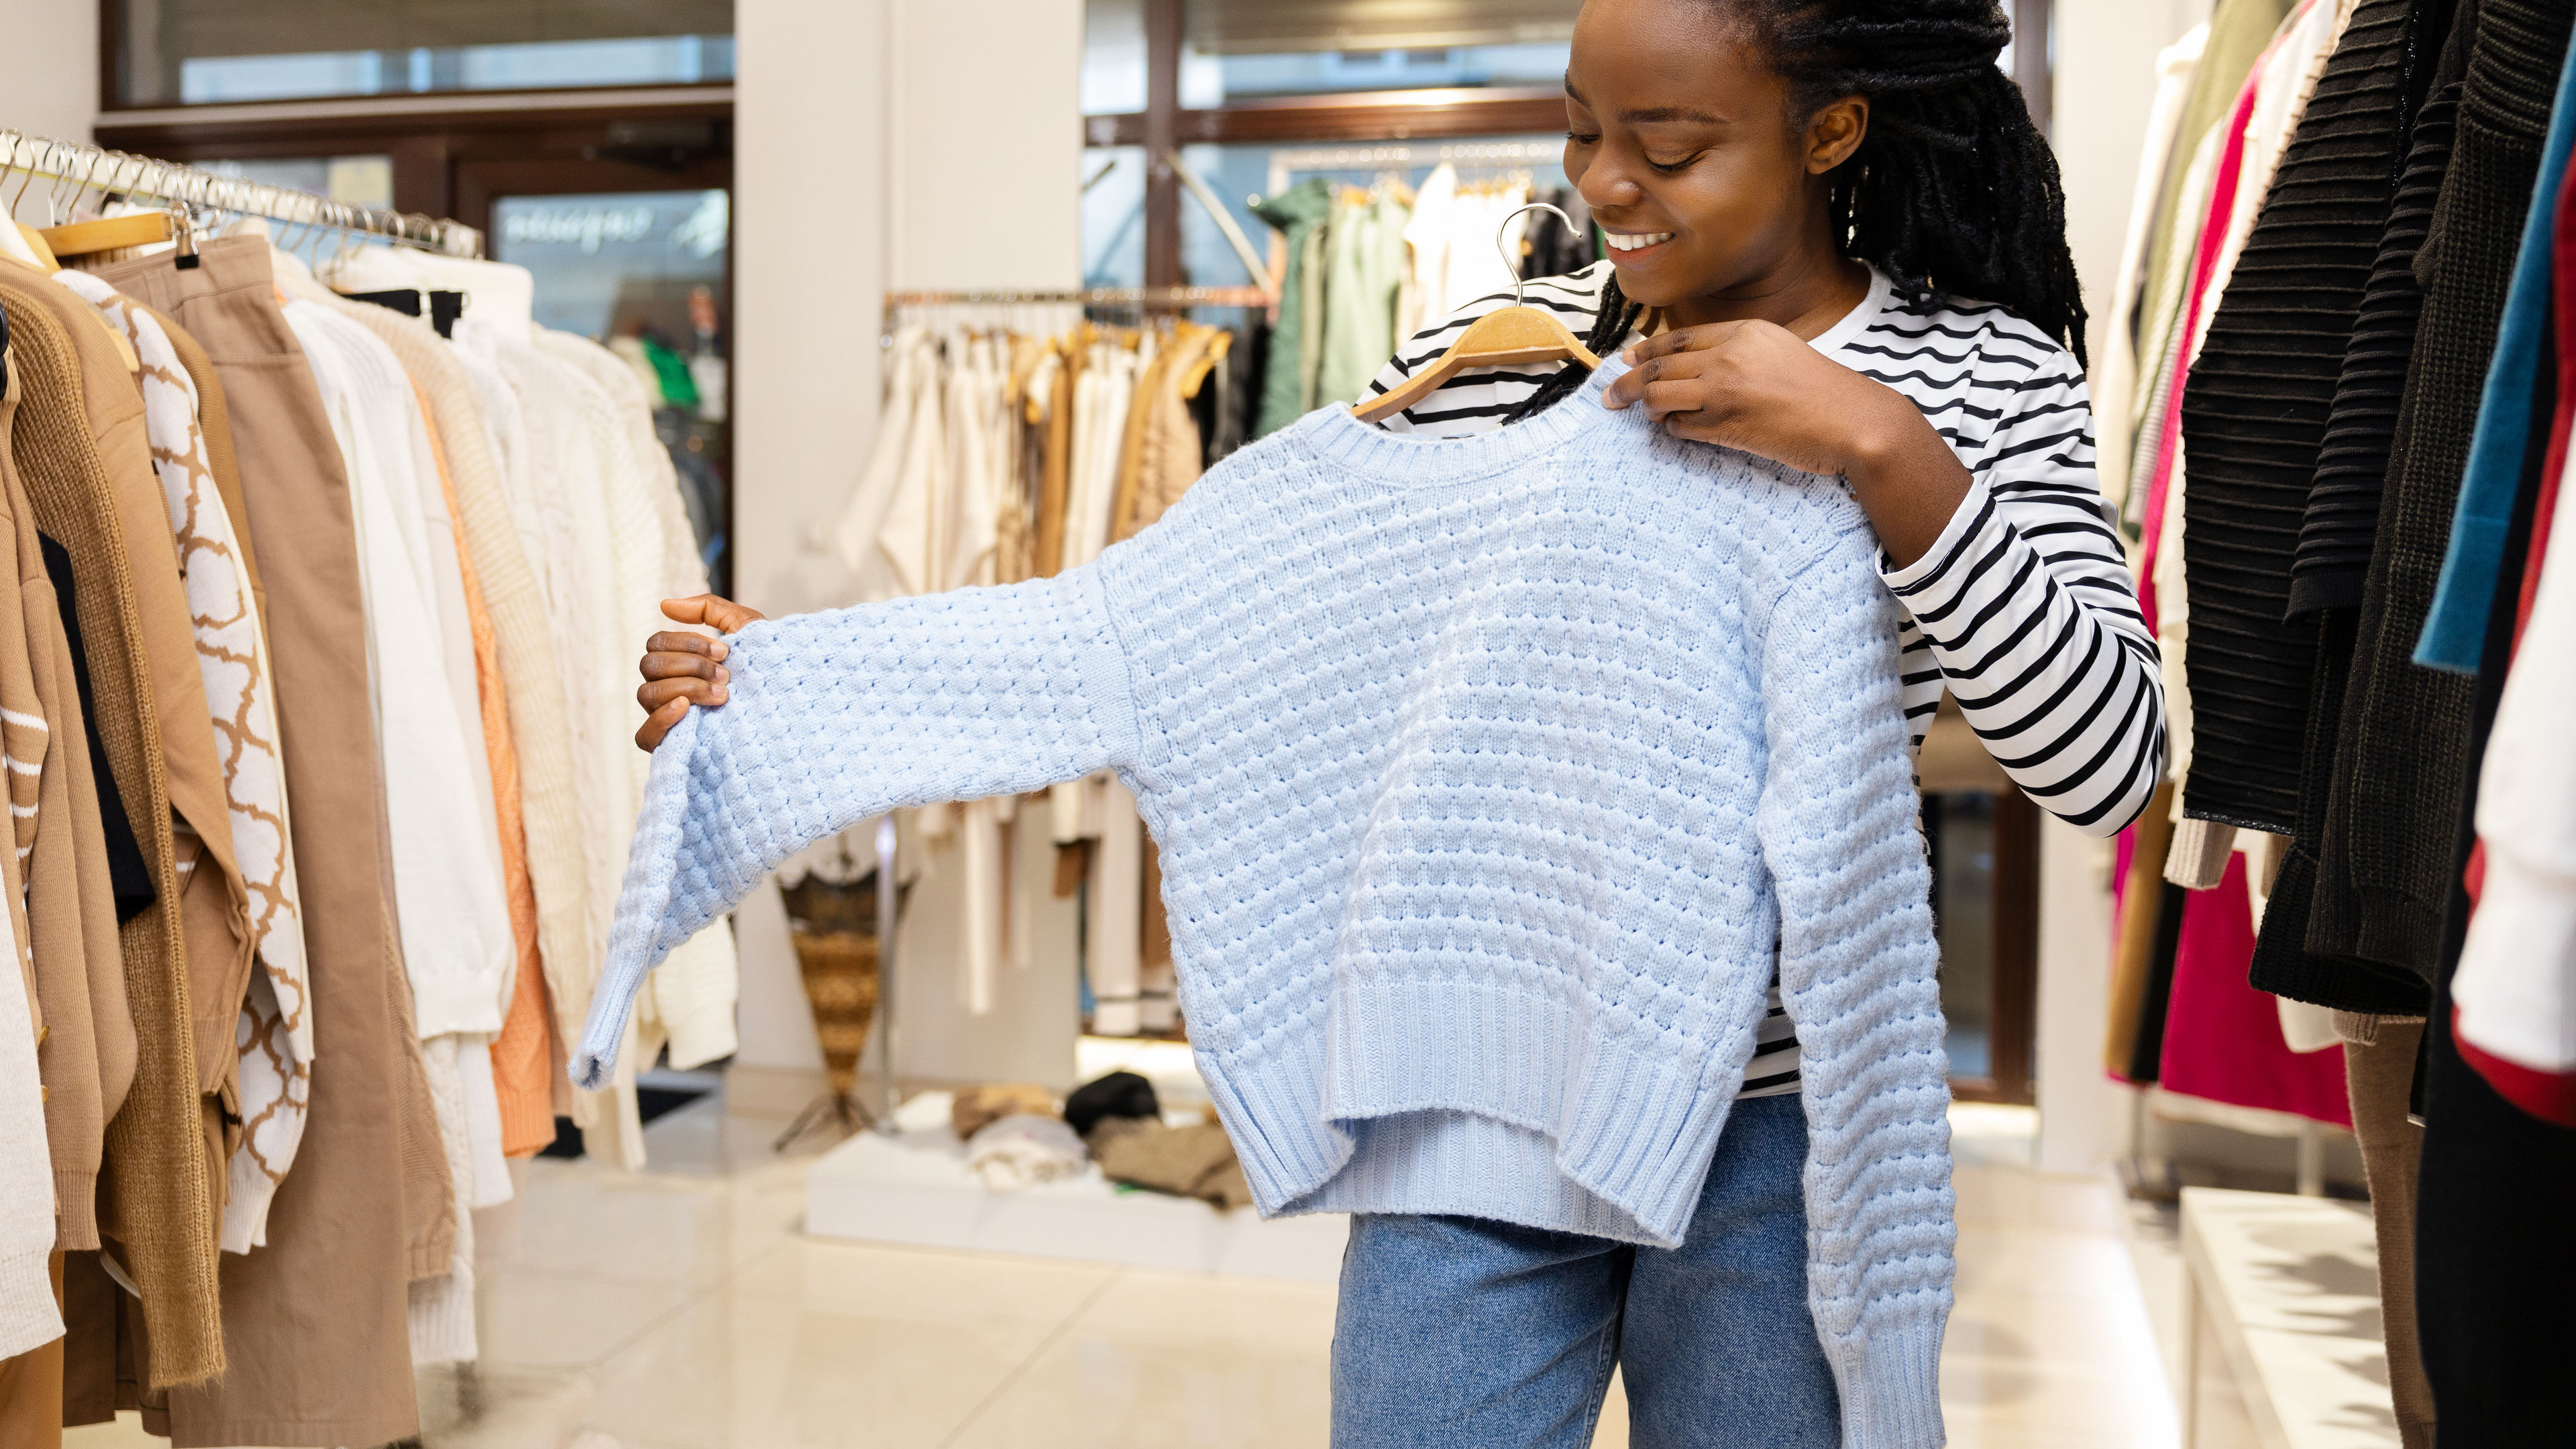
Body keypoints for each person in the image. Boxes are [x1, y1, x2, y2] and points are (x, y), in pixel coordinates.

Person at [633, 0, 2161, 1442]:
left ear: (1831, 130)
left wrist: (1887, 453)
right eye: (1583, 130)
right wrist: (805, 672)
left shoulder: (1978, 377)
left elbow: (2108, 763)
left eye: (1671, 145)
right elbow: (1166, 619)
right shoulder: (1501, 359)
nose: (1605, 184)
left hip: (1787, 1140)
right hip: (1470, 1100)